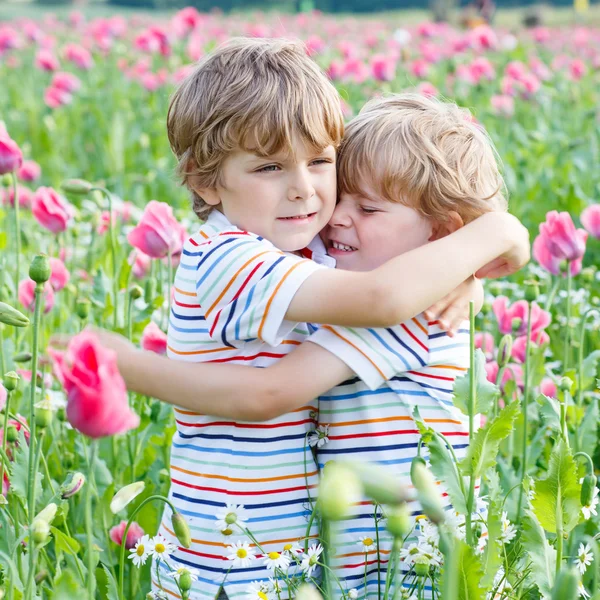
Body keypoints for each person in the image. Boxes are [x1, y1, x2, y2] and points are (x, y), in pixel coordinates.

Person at [68, 39, 529, 599]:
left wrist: (470, 270)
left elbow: (395, 292)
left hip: (330, 559)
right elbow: (373, 305)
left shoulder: (314, 255)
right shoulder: (232, 258)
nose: (307, 192)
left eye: (320, 161)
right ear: (205, 180)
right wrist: (499, 234)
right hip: (230, 560)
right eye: (269, 166)